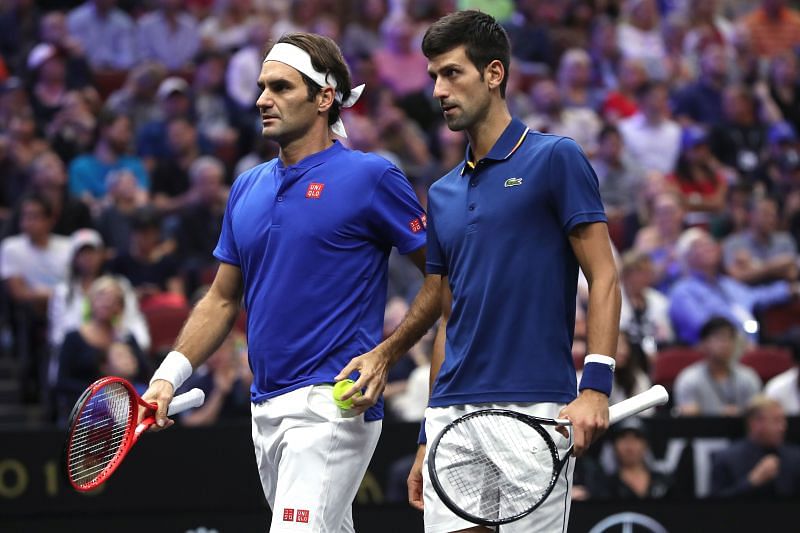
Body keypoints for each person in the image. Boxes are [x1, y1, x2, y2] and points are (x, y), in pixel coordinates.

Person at [335, 11, 620, 532]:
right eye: (433, 77)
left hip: (535, 408)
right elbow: (450, 313)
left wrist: (596, 385)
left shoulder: (557, 159)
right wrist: (427, 433)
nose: (439, 89)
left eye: (452, 73)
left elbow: (604, 276)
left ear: (494, 74)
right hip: (452, 418)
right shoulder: (442, 193)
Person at [139, 32, 427, 532]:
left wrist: (386, 354)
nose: (261, 100)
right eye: (261, 87)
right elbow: (222, 300)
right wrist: (167, 377)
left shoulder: (372, 177)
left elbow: (443, 278)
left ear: (324, 98)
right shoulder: (246, 186)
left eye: (279, 87)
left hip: (333, 402)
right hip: (264, 406)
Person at [710, 395, 800, 498]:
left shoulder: (795, 457)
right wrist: (752, 482)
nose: (782, 427)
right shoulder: (726, 459)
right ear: (755, 424)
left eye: (783, 420)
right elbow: (715, 504)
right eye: (776, 420)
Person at [673, 316, 762, 416]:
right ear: (704, 343)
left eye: (730, 338)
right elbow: (687, 419)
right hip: (703, 430)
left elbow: (758, 415)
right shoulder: (689, 379)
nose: (726, 344)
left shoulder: (748, 377)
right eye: (720, 338)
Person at [605, 417, 672, 499]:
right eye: (623, 437)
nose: (629, 446)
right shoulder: (605, 486)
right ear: (614, 445)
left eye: (637, 437)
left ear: (646, 444)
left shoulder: (664, 482)